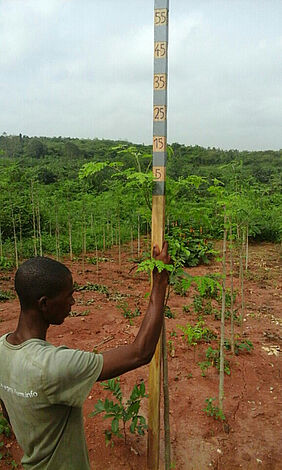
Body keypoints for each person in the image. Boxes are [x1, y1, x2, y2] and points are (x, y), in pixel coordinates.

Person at [0, 242, 170, 470]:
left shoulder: (2, 348)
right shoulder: (52, 366)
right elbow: (140, 352)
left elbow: (7, 409)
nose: (73, 302)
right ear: (44, 304)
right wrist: (159, 284)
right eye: (68, 296)